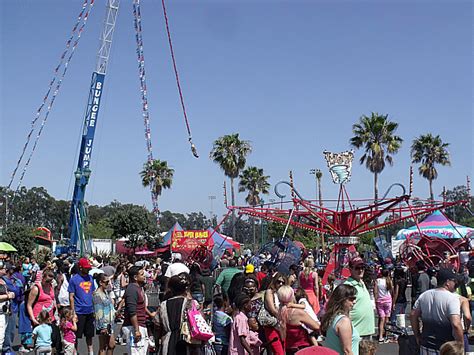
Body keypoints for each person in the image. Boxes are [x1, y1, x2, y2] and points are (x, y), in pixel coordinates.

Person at [410, 268, 463, 353]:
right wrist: (461, 345)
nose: (455, 284)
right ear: (447, 282)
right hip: (446, 347)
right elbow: (456, 324)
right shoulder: (452, 298)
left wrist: (417, 335)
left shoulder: (424, 295)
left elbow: (413, 315)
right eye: (454, 281)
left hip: (426, 344)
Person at [158, 273, 199, 355]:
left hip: (168, 341)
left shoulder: (163, 305)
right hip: (188, 341)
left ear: (171, 289)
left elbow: (158, 325)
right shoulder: (191, 303)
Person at [277, 285, 320, 354]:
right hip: (302, 349)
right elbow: (316, 326)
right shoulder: (298, 313)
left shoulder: (280, 312)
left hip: (289, 349)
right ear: (291, 296)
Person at [321, 284, 360, 355]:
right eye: (351, 299)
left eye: (355, 299)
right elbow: (347, 351)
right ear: (342, 300)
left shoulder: (333, 317)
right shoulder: (344, 321)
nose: (354, 302)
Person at [68, 257, 95, 355]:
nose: (88, 269)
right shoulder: (74, 279)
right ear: (80, 267)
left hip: (90, 311)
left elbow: (93, 293)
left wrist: (95, 309)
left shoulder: (90, 278)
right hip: (79, 311)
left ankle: (90, 352)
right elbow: (71, 296)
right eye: (86, 268)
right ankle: (75, 352)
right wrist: (73, 312)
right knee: (76, 335)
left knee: (89, 335)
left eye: (89, 268)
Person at [343, 256, 375, 339]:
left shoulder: (361, 282)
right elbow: (344, 310)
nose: (360, 270)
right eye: (357, 268)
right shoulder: (348, 286)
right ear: (350, 269)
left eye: (362, 267)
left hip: (366, 331)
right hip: (356, 333)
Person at [123, 266, 149, 355]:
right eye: (142, 274)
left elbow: (142, 307)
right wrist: (136, 330)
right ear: (135, 277)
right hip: (134, 327)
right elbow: (132, 312)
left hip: (141, 324)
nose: (144, 276)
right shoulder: (132, 289)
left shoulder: (138, 288)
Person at [263, 273, 287, 355]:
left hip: (282, 326)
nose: (280, 284)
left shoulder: (284, 293)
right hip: (271, 326)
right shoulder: (270, 292)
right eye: (278, 282)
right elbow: (272, 309)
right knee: (279, 352)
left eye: (283, 283)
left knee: (283, 351)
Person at [93, 273, 116, 355]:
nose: (108, 283)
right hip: (103, 324)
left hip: (109, 323)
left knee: (111, 345)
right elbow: (98, 311)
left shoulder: (105, 292)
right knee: (103, 347)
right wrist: (102, 327)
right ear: (100, 282)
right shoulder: (97, 295)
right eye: (106, 282)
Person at [374, 268, 393, 343]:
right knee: (387, 319)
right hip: (388, 300)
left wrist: (376, 300)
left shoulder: (377, 281)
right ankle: (386, 335)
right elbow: (391, 291)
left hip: (380, 300)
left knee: (381, 318)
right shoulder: (389, 281)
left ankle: (380, 336)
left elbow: (375, 292)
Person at [0, 261, 16, 352]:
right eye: (2, 268)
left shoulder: (3, 280)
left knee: (3, 335)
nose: (4, 270)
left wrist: (9, 294)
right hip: (0, 313)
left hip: (5, 311)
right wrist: (7, 296)